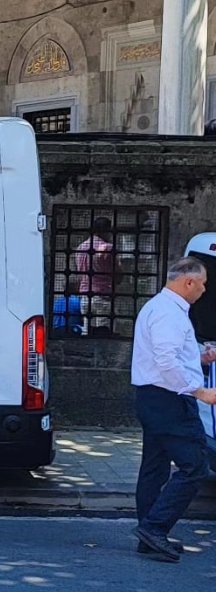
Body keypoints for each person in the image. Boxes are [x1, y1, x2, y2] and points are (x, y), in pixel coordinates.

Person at [131, 257, 216, 562]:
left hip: (154, 397)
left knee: (154, 468)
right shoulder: (169, 313)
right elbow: (166, 362)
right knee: (194, 467)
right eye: (203, 283)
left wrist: (199, 358)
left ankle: (149, 535)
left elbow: (170, 355)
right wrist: (199, 391)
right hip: (171, 400)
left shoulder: (161, 307)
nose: (205, 290)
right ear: (188, 282)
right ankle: (154, 528)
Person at [73, 217, 115, 335]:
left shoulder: (80, 247)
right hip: (102, 295)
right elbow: (116, 271)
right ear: (105, 231)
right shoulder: (107, 247)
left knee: (86, 332)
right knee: (103, 332)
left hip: (85, 296)